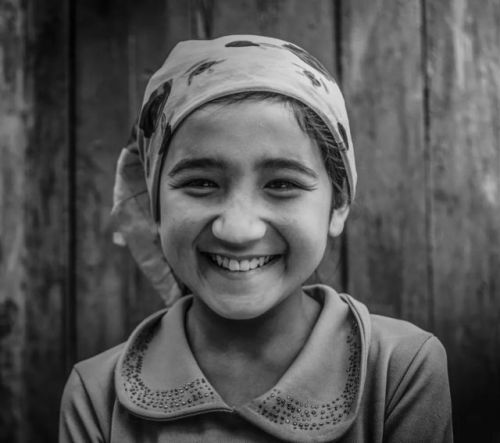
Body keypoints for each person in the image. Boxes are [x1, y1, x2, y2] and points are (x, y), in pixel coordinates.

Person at [59, 35, 453, 442]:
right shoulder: (97, 395)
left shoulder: (398, 369)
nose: (238, 229)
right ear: (154, 205)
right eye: (200, 183)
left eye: (281, 184)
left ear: (337, 205)